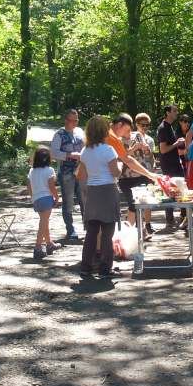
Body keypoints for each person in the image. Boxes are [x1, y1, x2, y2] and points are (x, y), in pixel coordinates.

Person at [75, 115, 124, 278]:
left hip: (92, 192)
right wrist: (120, 166)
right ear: (104, 131)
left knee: (91, 232)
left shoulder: (85, 151)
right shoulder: (108, 150)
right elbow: (115, 172)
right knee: (107, 233)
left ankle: (86, 267)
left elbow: (80, 175)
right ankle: (105, 268)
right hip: (107, 191)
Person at [49, 108, 85, 242]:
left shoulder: (80, 132)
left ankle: (88, 228)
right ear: (66, 120)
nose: (74, 123)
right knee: (68, 201)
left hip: (82, 171)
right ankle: (71, 230)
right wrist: (69, 155)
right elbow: (53, 153)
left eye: (76, 120)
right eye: (72, 120)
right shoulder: (59, 134)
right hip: (66, 173)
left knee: (84, 200)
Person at [123, 112, 157, 236]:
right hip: (126, 177)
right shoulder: (117, 139)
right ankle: (129, 233)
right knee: (133, 205)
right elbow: (122, 157)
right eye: (143, 125)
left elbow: (148, 156)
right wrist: (134, 148)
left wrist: (146, 150)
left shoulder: (137, 135)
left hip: (142, 174)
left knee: (143, 202)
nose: (145, 127)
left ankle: (142, 228)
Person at [27, 147, 60, 260]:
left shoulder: (32, 171)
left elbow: (28, 185)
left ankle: (49, 244)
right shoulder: (49, 170)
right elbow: (51, 186)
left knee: (44, 222)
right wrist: (56, 197)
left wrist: (33, 198)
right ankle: (37, 247)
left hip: (36, 199)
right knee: (43, 222)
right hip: (46, 198)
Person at [156, 105, 185, 227]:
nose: (176, 113)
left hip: (174, 163)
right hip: (169, 165)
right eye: (174, 111)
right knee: (170, 190)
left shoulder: (169, 127)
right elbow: (163, 150)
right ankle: (170, 219)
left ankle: (183, 216)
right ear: (167, 113)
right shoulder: (163, 128)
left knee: (180, 188)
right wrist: (177, 143)